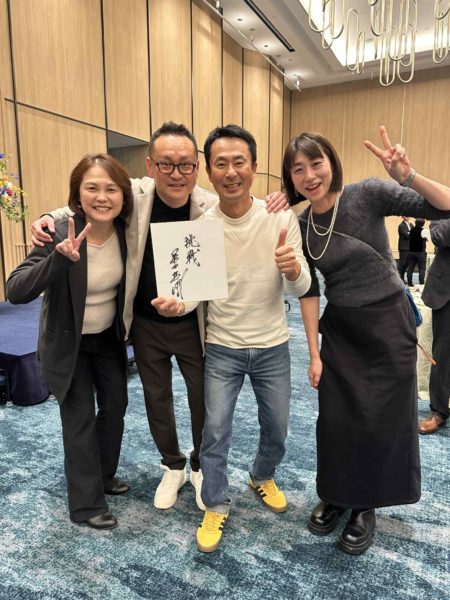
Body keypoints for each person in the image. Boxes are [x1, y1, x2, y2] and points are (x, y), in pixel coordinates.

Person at [31, 122, 287, 513]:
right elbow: (93, 198)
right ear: (150, 166)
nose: (176, 174)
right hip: (146, 323)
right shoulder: (135, 195)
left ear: (197, 168)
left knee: (203, 400)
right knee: (157, 399)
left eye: (185, 165)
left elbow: (247, 206)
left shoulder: (209, 205)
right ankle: (173, 465)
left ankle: (200, 465)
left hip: (196, 322)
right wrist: (47, 216)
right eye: (166, 164)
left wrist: (281, 199)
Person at [282, 125, 450, 556]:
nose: (309, 175)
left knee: (380, 420)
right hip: (341, 328)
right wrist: (314, 353)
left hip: (387, 323)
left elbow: (445, 205)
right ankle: (337, 494)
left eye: (316, 163)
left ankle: (365, 505)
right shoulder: (301, 224)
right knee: (336, 420)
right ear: (291, 177)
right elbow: (309, 289)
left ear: (331, 162)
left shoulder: (368, 194)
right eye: (298, 169)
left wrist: (408, 176)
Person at [191, 125, 311, 553]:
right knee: (214, 432)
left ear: (254, 167)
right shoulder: (202, 226)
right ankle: (214, 503)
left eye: (239, 162)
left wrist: (292, 270)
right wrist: (175, 303)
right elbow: (194, 294)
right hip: (222, 347)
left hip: (273, 346)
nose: (230, 172)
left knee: (277, 429)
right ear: (209, 172)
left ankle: (262, 475)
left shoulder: (279, 217)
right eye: (220, 164)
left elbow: (303, 287)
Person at [6, 154, 133, 529]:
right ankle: (85, 505)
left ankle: (103, 475)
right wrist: (57, 261)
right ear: (78, 194)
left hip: (107, 339)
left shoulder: (128, 231)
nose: (102, 197)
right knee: (78, 418)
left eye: (111, 188)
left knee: (115, 407)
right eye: (92, 188)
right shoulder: (60, 232)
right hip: (67, 343)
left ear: (123, 195)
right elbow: (16, 290)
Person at [420, 219, 450, 434]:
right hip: (447, 292)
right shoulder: (444, 206)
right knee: (443, 353)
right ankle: (438, 410)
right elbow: (439, 236)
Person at [406, 218, 427, 287]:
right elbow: (427, 239)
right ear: (423, 224)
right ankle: (421, 283)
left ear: (415, 223)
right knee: (422, 269)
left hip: (411, 252)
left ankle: (409, 283)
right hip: (421, 252)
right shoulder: (424, 231)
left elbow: (409, 238)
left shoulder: (411, 230)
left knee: (410, 268)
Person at [397, 216, 412, 283]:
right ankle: (401, 279)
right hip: (404, 248)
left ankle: (404, 278)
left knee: (408, 264)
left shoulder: (411, 224)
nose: (408, 217)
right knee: (403, 264)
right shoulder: (401, 225)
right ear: (402, 217)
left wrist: (410, 233)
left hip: (410, 247)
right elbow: (407, 235)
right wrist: (410, 233)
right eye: (406, 215)